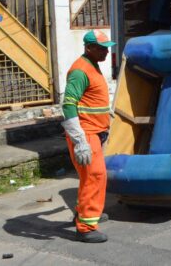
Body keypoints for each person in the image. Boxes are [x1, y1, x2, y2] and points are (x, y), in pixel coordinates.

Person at [61, 30, 115, 242]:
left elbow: (90, 99)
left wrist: (105, 112)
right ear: (89, 47)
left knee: (91, 176)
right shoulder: (80, 71)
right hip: (86, 133)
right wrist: (79, 141)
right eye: (102, 48)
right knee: (95, 175)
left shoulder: (92, 65)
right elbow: (68, 105)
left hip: (94, 131)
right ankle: (85, 227)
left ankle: (88, 212)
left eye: (107, 48)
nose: (106, 52)